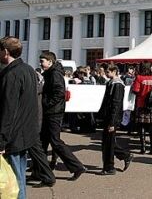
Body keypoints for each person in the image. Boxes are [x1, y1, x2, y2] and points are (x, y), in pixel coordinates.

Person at [0, 37, 40, 198]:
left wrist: (2, 140)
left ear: (6, 52)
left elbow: (8, 110)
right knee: (19, 176)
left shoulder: (12, 74)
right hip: (25, 133)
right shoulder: (28, 69)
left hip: (13, 136)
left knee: (13, 179)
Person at [39, 51, 87, 181]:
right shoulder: (51, 73)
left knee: (55, 141)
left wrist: (46, 104)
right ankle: (39, 169)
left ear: (50, 62)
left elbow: (59, 93)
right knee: (42, 141)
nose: (41, 63)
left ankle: (77, 166)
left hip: (53, 112)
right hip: (51, 111)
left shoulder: (54, 74)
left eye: (43, 61)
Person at [100, 64, 133, 175]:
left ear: (114, 71)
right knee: (107, 142)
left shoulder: (117, 85)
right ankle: (124, 156)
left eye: (107, 72)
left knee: (109, 143)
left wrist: (112, 122)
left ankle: (110, 167)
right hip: (108, 116)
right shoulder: (111, 83)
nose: (105, 74)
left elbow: (116, 104)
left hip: (112, 118)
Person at [131, 62, 152, 154]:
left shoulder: (139, 78)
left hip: (141, 104)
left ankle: (143, 148)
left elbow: (136, 90)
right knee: (151, 126)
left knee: (141, 127)